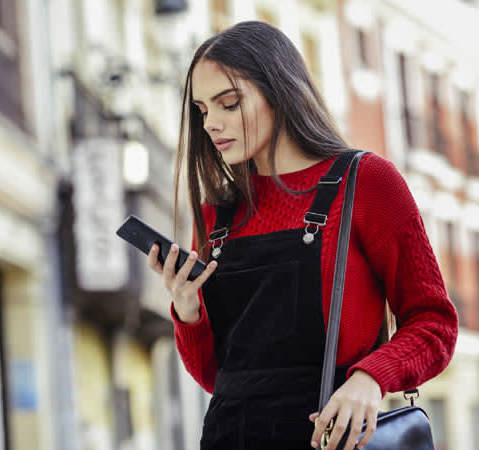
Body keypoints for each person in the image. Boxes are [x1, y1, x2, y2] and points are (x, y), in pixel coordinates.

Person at [146, 21, 458, 450]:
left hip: (332, 439)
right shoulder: (216, 215)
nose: (211, 124)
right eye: (202, 110)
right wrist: (187, 312)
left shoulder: (365, 183)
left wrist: (369, 378)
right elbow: (218, 380)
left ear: (279, 91)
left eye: (228, 104)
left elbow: (435, 324)